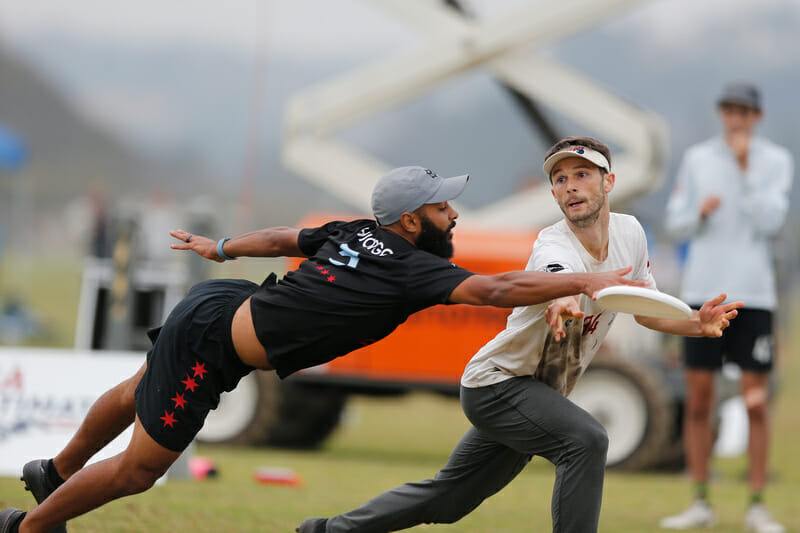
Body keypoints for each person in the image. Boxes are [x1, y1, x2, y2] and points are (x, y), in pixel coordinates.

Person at [0, 165, 644, 533]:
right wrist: (590, 280)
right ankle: (29, 529)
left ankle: (52, 474)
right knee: (141, 469)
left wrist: (221, 249)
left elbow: (289, 236)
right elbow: (502, 287)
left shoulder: (360, 230)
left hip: (220, 305)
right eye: (445, 208)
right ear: (412, 220)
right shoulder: (412, 267)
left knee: (137, 392)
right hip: (215, 343)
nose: (456, 217)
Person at [297, 138, 744, 533]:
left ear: (609, 183)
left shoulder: (629, 234)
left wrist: (695, 323)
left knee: (448, 500)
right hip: (497, 385)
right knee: (587, 440)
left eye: (582, 174)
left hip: (535, 392)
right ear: (553, 194)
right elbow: (555, 278)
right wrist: (560, 301)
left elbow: (643, 311)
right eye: (560, 178)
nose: (570, 185)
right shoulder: (552, 245)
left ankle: (325, 531)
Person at [659, 83, 793, 532]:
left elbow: (771, 222)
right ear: (722, 113)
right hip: (703, 293)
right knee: (699, 400)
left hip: (754, 295)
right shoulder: (698, 159)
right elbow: (675, 223)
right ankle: (700, 500)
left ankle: (756, 504)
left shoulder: (775, 161)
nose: (737, 118)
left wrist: (743, 168)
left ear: (756, 117)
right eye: (730, 110)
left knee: (756, 402)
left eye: (745, 111)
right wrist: (699, 210)